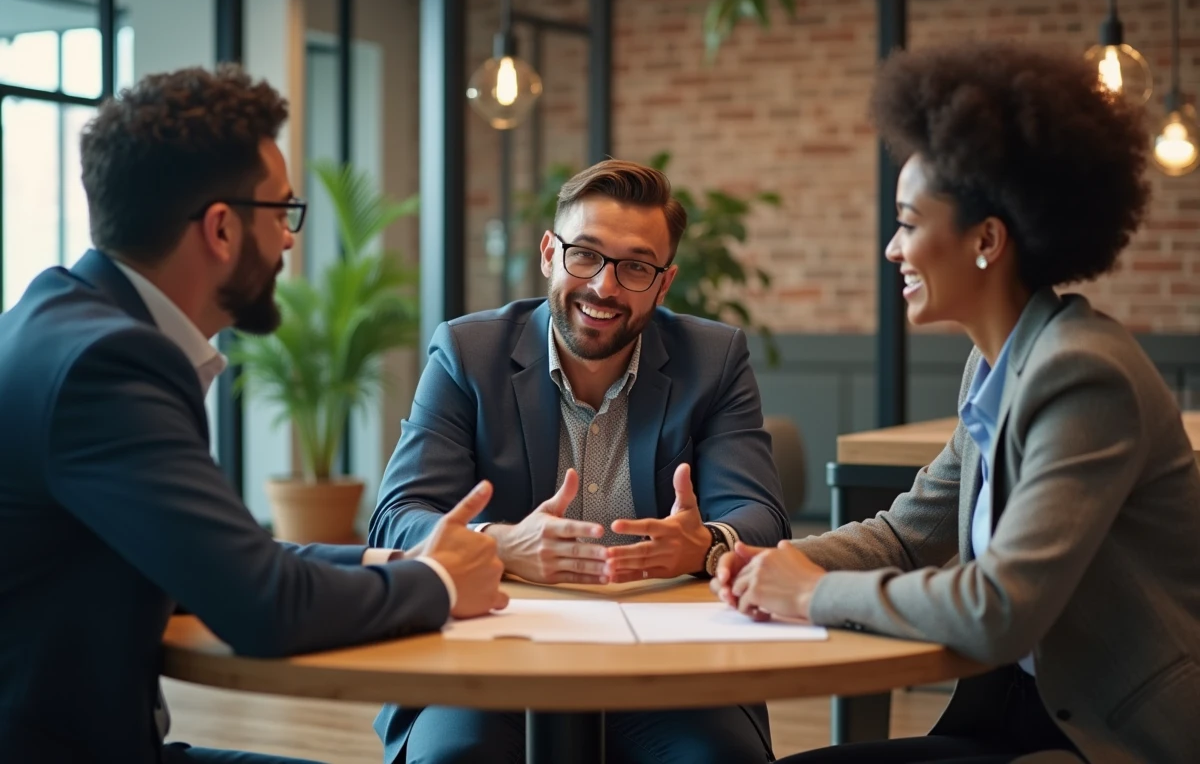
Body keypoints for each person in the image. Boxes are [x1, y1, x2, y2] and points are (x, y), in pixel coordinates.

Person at [0, 65, 508, 764]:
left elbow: (222, 557)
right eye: (284, 213)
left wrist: (391, 557)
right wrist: (441, 582)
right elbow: (263, 606)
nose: (290, 242)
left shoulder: (62, 317)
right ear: (221, 229)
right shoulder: (108, 366)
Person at [714, 40, 1200, 764]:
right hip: (1018, 718)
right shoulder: (997, 364)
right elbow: (906, 537)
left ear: (986, 241)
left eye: (909, 222)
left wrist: (811, 594)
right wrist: (747, 559)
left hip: (1110, 739)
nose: (891, 248)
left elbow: (996, 610)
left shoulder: (1083, 375)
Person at [369, 159, 790, 763]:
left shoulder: (714, 359)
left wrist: (703, 543)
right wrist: (499, 544)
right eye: (585, 255)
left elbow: (761, 515)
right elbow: (397, 514)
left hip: (667, 665)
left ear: (663, 283)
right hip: (491, 659)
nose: (604, 287)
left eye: (635, 267)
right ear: (549, 253)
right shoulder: (468, 351)